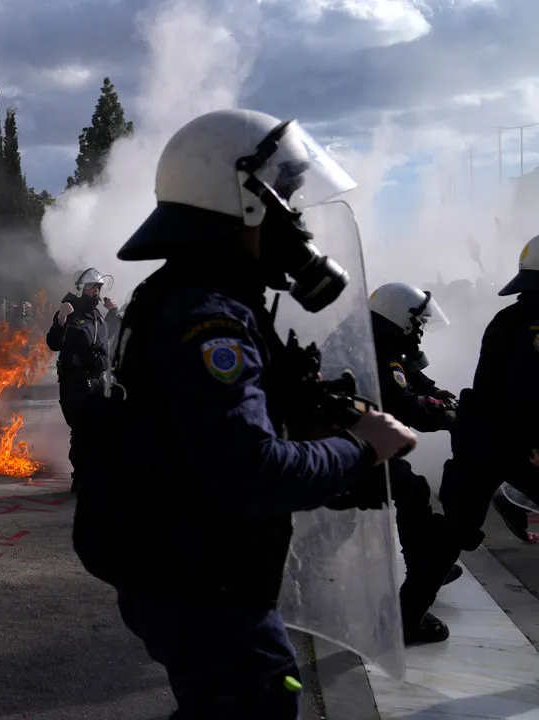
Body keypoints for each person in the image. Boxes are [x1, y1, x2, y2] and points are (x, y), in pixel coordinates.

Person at [73, 109, 418, 718]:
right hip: (196, 575)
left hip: (180, 561)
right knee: (260, 695)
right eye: (287, 198)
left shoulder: (196, 297)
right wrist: (364, 446)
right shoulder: (208, 319)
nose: (298, 220)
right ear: (244, 202)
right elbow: (249, 472)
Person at [363, 282, 462, 644]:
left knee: (410, 489)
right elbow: (404, 404)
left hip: (353, 439)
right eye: (416, 321)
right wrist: (448, 416)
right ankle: (424, 571)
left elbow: (407, 375)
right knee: (411, 490)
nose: (419, 329)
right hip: (354, 447)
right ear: (399, 317)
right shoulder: (381, 350)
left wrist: (434, 392)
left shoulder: (375, 340)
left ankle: (427, 565)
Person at [438, 235, 539, 585]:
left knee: (459, 524)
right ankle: (411, 607)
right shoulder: (531, 324)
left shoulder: (512, 316)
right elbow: (524, 390)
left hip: (485, 433)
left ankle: (419, 594)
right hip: (504, 434)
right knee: (459, 525)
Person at [46, 268, 118, 493]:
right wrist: (61, 318)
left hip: (97, 382)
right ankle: (81, 477)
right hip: (75, 384)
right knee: (82, 430)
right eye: (91, 288)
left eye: (98, 288)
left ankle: (95, 473)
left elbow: (104, 337)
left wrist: (113, 315)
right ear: (80, 289)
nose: (96, 292)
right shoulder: (70, 311)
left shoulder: (96, 315)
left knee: (100, 429)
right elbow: (54, 343)